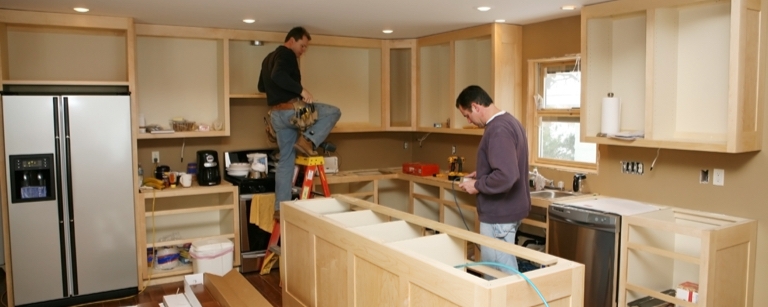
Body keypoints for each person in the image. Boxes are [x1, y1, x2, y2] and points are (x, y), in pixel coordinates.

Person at [258, 26, 341, 216]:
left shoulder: (267, 59)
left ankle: (280, 207)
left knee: (286, 161)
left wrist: (277, 91)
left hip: (276, 116)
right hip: (292, 112)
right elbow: (278, 75)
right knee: (333, 112)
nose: (303, 51)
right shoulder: (287, 55)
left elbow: (262, 86)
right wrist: (301, 91)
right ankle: (308, 140)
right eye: (302, 46)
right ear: (291, 41)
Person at [456, 85, 530, 275]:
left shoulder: (498, 130)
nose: (469, 120)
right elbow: (505, 165)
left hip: (499, 216)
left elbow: (507, 175)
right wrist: (481, 173)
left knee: (498, 275)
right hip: (507, 212)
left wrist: (478, 185)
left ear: (476, 106)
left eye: (467, 115)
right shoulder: (510, 121)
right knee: (502, 271)